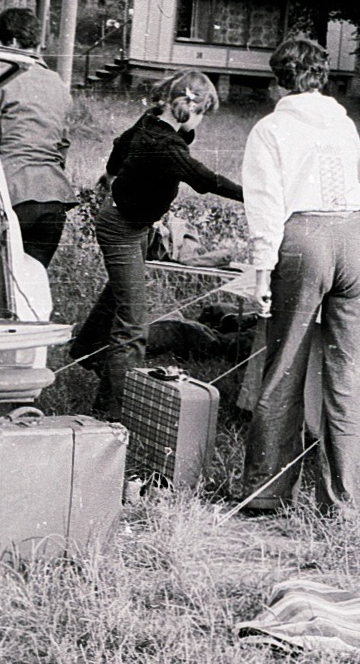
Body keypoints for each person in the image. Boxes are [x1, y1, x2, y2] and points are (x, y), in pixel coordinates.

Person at [239, 34, 360, 520]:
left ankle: (267, 493)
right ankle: (344, 505)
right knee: (351, 376)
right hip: (357, 238)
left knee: (285, 365)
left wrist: (261, 275)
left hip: (305, 238)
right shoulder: (343, 124)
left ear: (279, 82)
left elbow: (266, 207)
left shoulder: (270, 130)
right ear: (321, 78)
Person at [70, 70, 243, 415]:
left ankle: (87, 348)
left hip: (131, 223)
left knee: (119, 295)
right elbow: (205, 179)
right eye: (202, 112)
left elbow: (119, 148)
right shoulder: (166, 146)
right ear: (186, 108)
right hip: (122, 228)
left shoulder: (150, 122)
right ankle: (112, 414)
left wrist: (116, 177)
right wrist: (256, 197)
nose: (202, 121)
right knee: (133, 325)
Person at [0, 8, 77, 268]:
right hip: (54, 200)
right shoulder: (57, 83)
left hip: (13, 195)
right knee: (32, 286)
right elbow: (62, 145)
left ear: (12, 43)